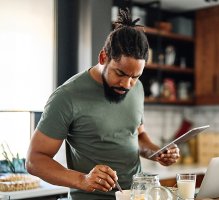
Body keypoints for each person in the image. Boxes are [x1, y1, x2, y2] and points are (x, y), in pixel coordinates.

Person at [26, 8, 180, 200]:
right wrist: (83, 179)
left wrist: (157, 153)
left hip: (136, 196)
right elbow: (35, 160)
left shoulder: (137, 88)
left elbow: (137, 135)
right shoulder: (67, 96)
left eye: (135, 76)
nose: (127, 84)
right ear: (103, 58)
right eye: (121, 73)